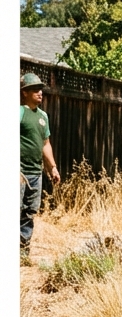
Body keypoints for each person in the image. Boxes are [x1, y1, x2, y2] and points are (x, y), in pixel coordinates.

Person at [20, 72, 60, 260]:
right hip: (19, 172)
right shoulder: (19, 112)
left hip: (36, 173)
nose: (40, 92)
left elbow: (46, 144)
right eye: (35, 89)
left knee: (29, 212)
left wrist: (52, 167)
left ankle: (22, 251)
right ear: (24, 92)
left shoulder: (43, 116)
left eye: (40, 89)